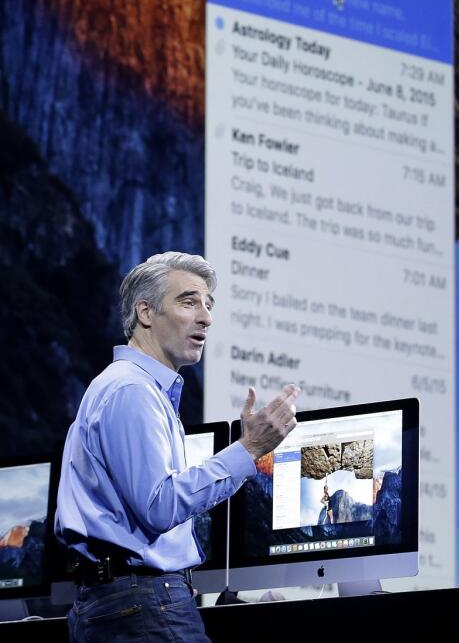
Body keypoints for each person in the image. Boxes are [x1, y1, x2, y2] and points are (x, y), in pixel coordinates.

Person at [55, 251, 300, 641]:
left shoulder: (127, 386)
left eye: (208, 304)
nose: (206, 317)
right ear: (146, 313)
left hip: (125, 600)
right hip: (143, 603)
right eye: (188, 302)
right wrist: (249, 448)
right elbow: (159, 506)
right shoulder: (131, 389)